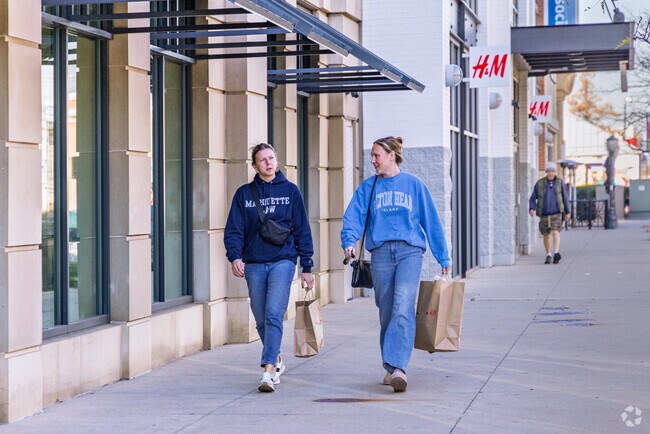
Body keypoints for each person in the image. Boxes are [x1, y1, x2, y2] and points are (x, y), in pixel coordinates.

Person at [340, 136, 452, 393]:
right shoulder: (369, 188)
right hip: (380, 254)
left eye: (377, 155)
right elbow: (353, 217)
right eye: (372, 155)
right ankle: (390, 366)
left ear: (392, 155)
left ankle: (399, 367)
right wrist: (349, 241)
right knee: (387, 311)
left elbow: (431, 222)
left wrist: (443, 258)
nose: (372, 160)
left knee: (403, 305)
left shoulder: (414, 185)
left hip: (409, 253)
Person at [224, 143, 314, 393]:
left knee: (274, 313)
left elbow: (303, 230)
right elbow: (234, 229)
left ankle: (267, 372)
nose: (268, 163)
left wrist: (307, 265)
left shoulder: (291, 191)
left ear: (277, 160)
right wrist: (235, 256)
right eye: (262, 160)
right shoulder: (244, 194)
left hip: (283, 260)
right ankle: (276, 359)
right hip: (253, 262)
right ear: (254, 165)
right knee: (261, 318)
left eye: (271, 158)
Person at [529, 162, 571, 264]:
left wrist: (567, 211)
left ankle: (556, 253)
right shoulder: (540, 183)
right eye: (549, 171)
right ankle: (548, 255)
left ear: (555, 172)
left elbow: (565, 198)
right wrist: (532, 208)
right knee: (546, 235)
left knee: (556, 232)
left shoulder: (560, 183)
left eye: (552, 171)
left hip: (556, 213)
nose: (551, 173)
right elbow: (533, 197)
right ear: (546, 172)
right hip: (544, 213)